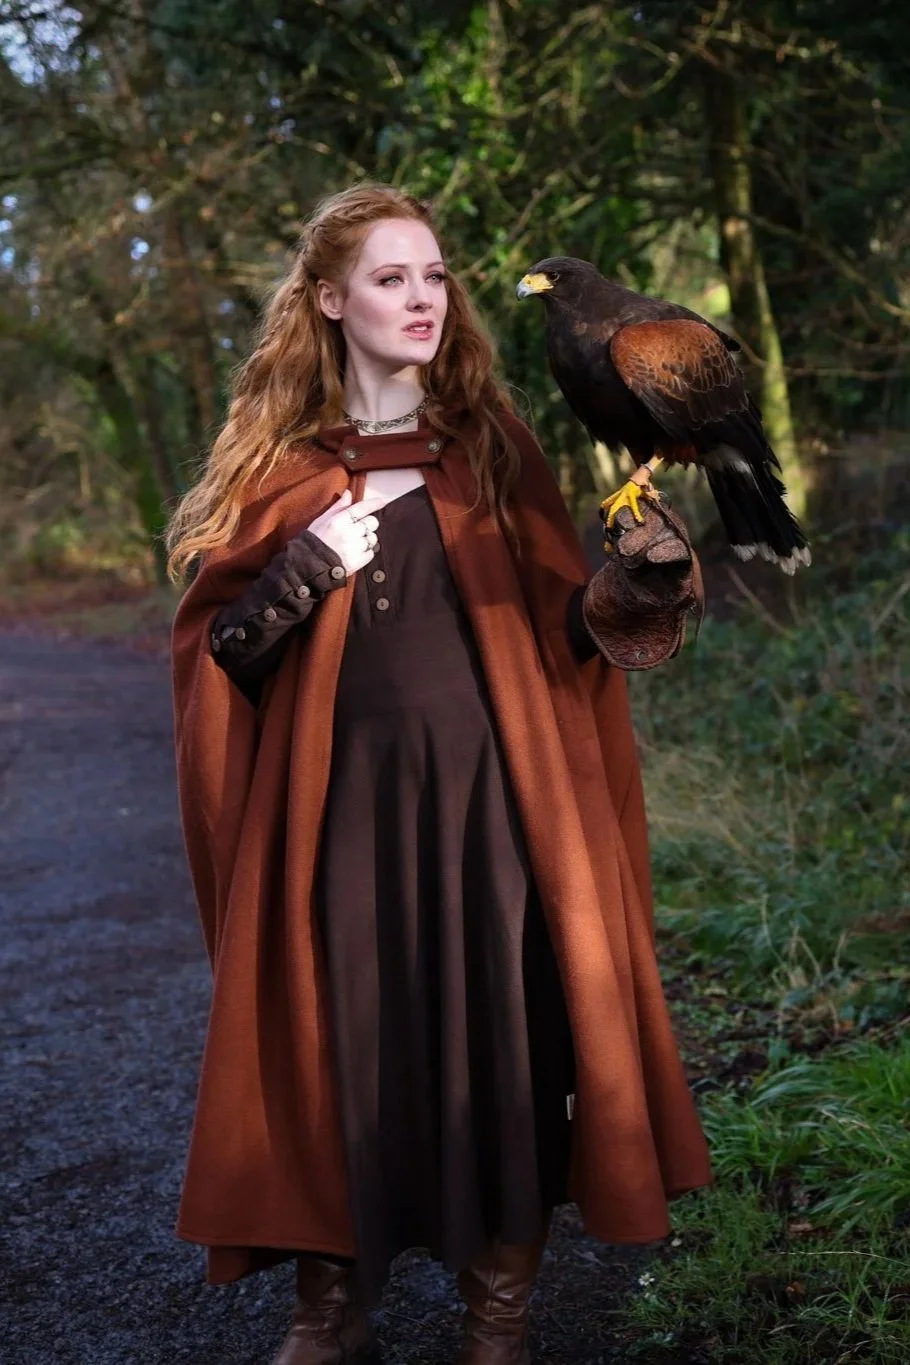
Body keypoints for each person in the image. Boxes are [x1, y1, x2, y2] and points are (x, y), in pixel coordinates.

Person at [165, 183, 713, 1365]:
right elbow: (221, 658)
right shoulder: (280, 467)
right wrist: (307, 563)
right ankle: (330, 1313)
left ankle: (496, 1316)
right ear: (329, 301)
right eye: (388, 278)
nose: (420, 299)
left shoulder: (490, 449)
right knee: (335, 1047)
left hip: (494, 814)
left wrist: (633, 588)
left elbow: (563, 636)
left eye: (432, 278)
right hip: (336, 820)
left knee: (505, 1046)